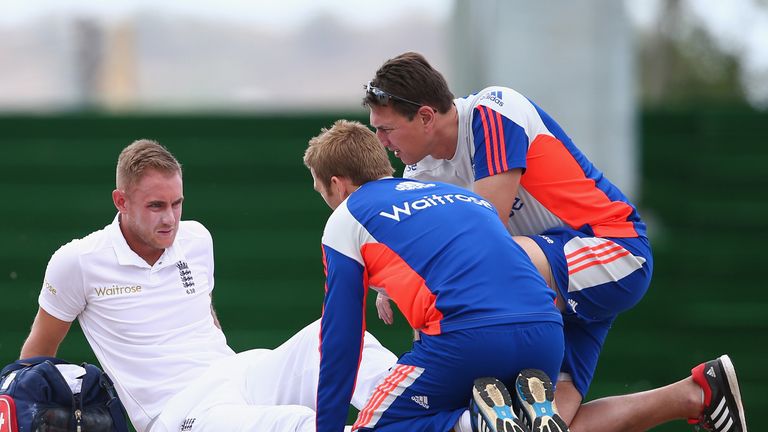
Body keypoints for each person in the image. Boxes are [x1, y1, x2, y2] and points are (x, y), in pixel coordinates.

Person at [362, 52, 747, 432]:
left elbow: (485, 235)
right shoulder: (420, 174)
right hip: (554, 283)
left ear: (427, 117)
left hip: (613, 251)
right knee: (550, 426)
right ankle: (698, 394)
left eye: (387, 129)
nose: (381, 142)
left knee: (489, 262)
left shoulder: (493, 110)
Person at [18, 139, 400, 432]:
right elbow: (35, 358)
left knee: (337, 336)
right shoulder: (78, 261)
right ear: (121, 201)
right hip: (180, 414)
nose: (170, 219)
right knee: (295, 423)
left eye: (177, 203)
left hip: (238, 375)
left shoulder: (197, 238)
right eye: (155, 206)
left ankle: (422, 409)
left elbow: (205, 315)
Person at [303, 119, 568, 432]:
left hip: (467, 343)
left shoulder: (348, 215)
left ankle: (471, 423)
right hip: (546, 340)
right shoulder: (461, 196)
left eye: (323, 192)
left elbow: (341, 339)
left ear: (338, 184)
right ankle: (512, 413)